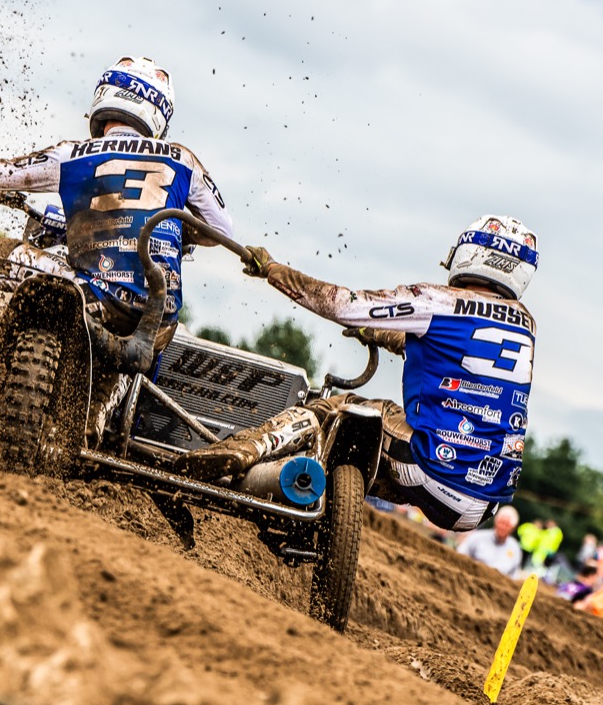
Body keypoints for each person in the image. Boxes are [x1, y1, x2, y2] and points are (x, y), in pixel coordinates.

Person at [174, 215, 538, 533]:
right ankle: (313, 518)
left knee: (340, 409)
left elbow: (343, 304)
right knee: (350, 460)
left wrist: (273, 271)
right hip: (483, 501)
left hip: (429, 466)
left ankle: (239, 450)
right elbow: (446, 352)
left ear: (471, 252)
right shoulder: (525, 325)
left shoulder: (438, 301)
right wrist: (378, 333)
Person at [0, 56, 233, 434]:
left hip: (96, 296)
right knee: (155, 338)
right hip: (160, 313)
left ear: (104, 96)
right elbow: (222, 230)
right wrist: (178, 233)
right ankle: (112, 420)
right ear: (159, 114)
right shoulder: (183, 159)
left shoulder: (71, 154)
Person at [456, 505, 525, 579]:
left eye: (507, 525)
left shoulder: (515, 549)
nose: (503, 527)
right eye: (501, 523)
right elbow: (460, 555)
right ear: (496, 521)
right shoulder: (477, 537)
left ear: (513, 528)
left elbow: (513, 576)